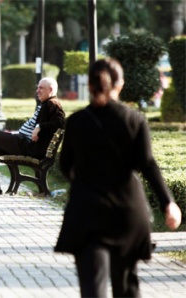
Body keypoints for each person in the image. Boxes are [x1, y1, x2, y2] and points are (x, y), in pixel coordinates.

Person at [54, 58, 182, 298]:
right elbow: (147, 165)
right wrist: (168, 202)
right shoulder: (134, 120)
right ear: (119, 84)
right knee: (126, 288)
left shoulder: (76, 122)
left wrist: (84, 184)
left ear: (89, 84)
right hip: (126, 213)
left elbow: (65, 166)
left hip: (87, 212)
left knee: (93, 288)